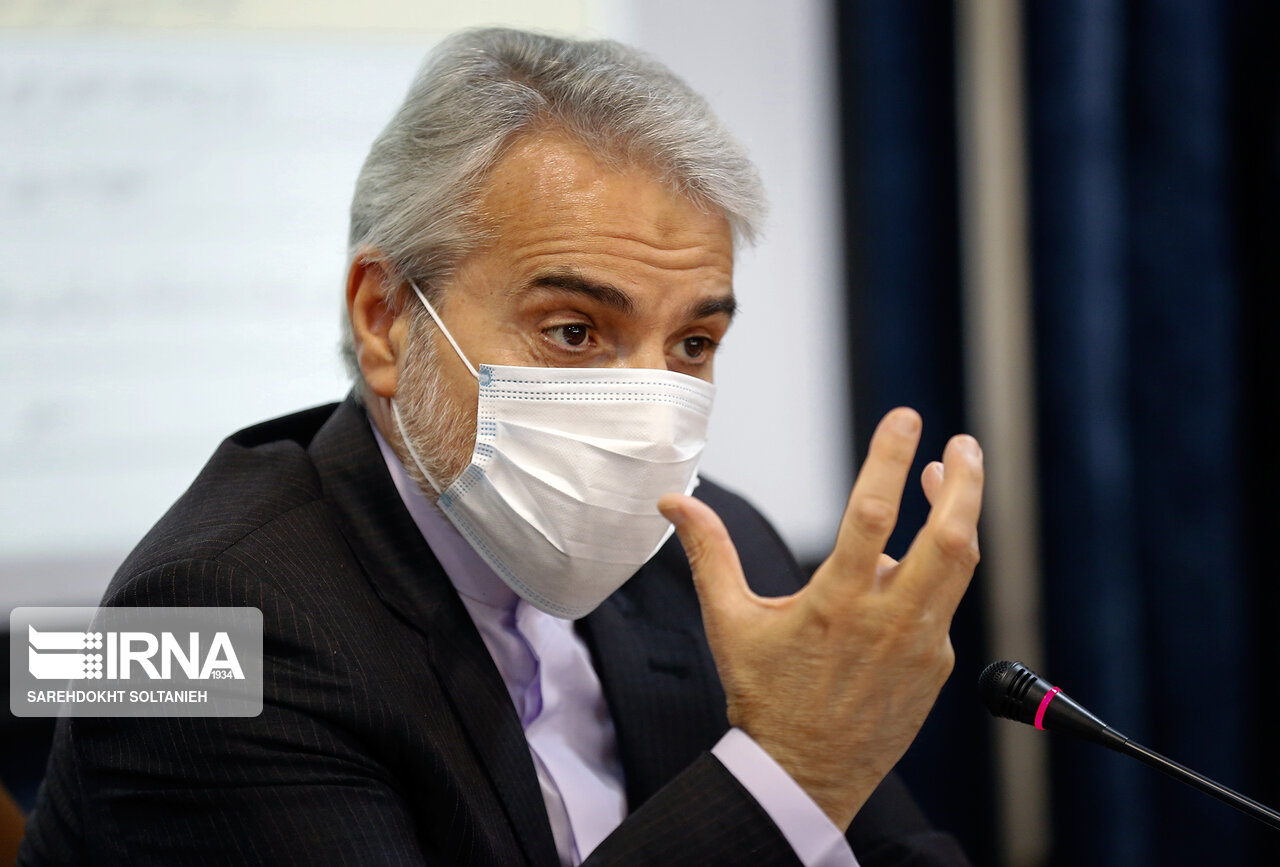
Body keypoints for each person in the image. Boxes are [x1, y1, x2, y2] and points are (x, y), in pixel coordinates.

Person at [19, 28, 982, 866]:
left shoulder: (718, 552)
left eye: (693, 344)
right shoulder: (198, 621)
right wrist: (792, 766)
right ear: (385, 319)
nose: (650, 416)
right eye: (574, 330)